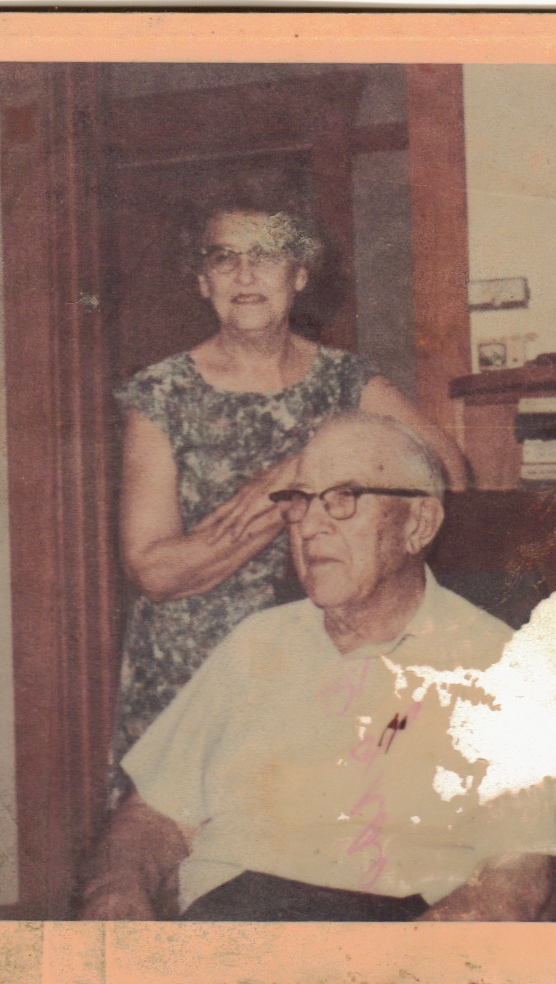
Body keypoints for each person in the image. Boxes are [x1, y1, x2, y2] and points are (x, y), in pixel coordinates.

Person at [80, 413, 556, 921]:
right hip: (225, 928)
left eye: (343, 498)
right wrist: (115, 894)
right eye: (300, 501)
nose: (308, 526)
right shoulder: (256, 644)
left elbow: (516, 880)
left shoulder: (501, 667)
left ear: (419, 524)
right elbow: (154, 816)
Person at [112, 195, 467, 782]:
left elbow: (448, 470)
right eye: (224, 258)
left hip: (324, 660)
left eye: (267, 255)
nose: (245, 274)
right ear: (203, 281)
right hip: (194, 668)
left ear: (299, 274)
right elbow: (155, 571)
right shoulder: (161, 393)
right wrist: (296, 502)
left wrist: (303, 472)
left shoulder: (346, 381)